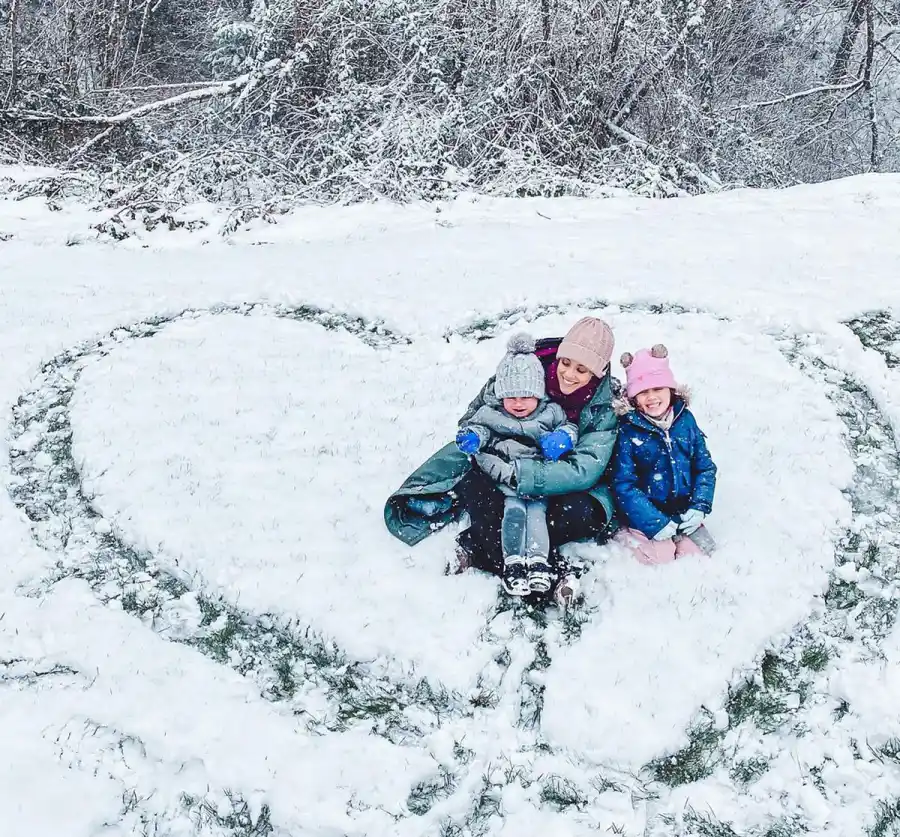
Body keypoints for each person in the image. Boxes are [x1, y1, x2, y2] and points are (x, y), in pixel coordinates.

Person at [384, 316, 619, 606]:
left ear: (597, 373)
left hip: (559, 483)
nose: (568, 374)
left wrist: (524, 475)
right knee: (477, 488)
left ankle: (482, 549)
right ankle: (544, 575)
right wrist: (488, 447)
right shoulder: (523, 373)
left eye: (582, 370)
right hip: (500, 465)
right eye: (566, 363)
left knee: (579, 514)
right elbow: (475, 417)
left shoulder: (601, 409)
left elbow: (585, 469)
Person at [455, 333, 579, 596]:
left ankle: (538, 561)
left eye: (525, 396)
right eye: (511, 397)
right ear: (500, 396)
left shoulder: (550, 412)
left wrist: (563, 438)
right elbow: (480, 428)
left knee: (537, 516)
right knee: (513, 514)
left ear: (538, 393)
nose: (518, 404)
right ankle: (512, 563)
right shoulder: (492, 413)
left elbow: (569, 426)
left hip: (538, 478)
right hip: (506, 477)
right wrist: (473, 437)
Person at [612, 344, 717, 564]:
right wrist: (653, 521)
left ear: (670, 390)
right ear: (633, 398)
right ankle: (627, 536)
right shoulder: (629, 430)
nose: (651, 398)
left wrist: (699, 505)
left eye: (657, 389)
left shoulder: (685, 421)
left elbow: (704, 467)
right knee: (660, 558)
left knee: (701, 554)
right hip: (646, 513)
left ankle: (681, 532)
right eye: (642, 392)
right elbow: (624, 484)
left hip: (682, 509)